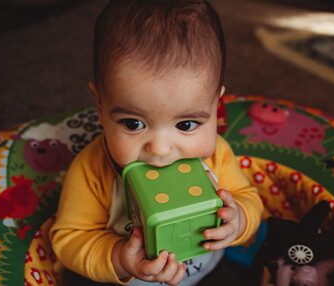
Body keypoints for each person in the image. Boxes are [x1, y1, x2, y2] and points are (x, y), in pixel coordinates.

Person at [49, 0, 263, 285]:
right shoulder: (92, 169)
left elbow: (248, 197)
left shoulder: (218, 155)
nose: (161, 150)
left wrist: (238, 221)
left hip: (205, 273)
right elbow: (70, 239)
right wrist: (119, 259)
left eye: (186, 125)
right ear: (100, 105)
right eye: (133, 124)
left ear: (215, 105)